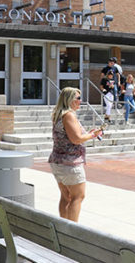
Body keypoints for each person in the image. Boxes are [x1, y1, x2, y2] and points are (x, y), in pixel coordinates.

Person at [48, 87, 103, 222]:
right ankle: (72, 231)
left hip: (58, 161)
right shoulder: (69, 115)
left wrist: (89, 133)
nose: (80, 101)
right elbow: (76, 139)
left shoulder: (59, 114)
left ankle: (63, 228)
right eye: (78, 98)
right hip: (70, 163)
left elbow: (74, 135)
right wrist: (91, 135)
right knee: (78, 196)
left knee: (65, 196)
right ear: (69, 100)